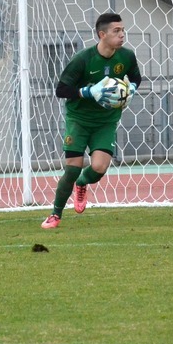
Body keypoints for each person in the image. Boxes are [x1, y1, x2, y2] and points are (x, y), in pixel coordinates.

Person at [41, 12, 141, 229]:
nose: (122, 35)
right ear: (102, 34)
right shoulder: (83, 59)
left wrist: (131, 89)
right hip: (79, 119)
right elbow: (61, 90)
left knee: (99, 167)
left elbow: (136, 77)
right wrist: (88, 92)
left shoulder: (127, 56)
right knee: (72, 168)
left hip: (106, 121)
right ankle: (55, 214)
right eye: (116, 31)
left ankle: (82, 183)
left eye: (123, 30)